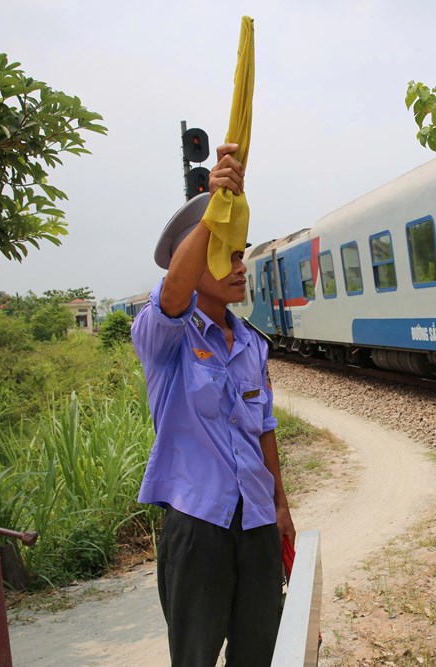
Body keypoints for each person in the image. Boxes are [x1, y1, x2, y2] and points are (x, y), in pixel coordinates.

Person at [131, 142, 295, 667]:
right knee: (195, 658)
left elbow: (263, 426)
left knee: (258, 653)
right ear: (193, 259)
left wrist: (281, 504)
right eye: (224, 251)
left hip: (256, 525)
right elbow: (172, 295)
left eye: (240, 250)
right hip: (197, 527)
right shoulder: (162, 337)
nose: (240, 264)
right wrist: (215, 202)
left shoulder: (251, 342)